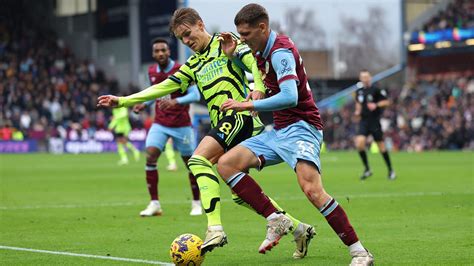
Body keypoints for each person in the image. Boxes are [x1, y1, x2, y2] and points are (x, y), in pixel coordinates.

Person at [97, 7, 314, 257]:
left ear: (200, 25)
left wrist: (259, 90)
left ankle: (215, 229)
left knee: (198, 160)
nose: (187, 41)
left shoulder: (226, 43)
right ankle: (297, 228)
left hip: (239, 117)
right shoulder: (193, 64)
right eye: (181, 39)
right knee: (240, 194)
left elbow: (253, 63)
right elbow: (162, 87)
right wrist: (123, 101)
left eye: (188, 34)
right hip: (224, 123)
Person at [217, 4, 374, 265]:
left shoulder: (280, 52)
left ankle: (359, 252)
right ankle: (276, 219)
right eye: (239, 34)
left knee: (312, 190)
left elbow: (290, 97)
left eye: (245, 34)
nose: (242, 39)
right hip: (279, 130)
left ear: (262, 27)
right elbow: (267, 84)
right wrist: (234, 57)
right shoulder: (260, 50)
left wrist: (248, 104)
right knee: (226, 164)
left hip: (303, 127)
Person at [132, 38, 202, 217]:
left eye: (163, 50)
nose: (160, 53)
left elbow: (195, 95)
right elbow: (155, 93)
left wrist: (175, 101)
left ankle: (196, 203)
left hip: (182, 125)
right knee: (151, 155)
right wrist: (144, 104)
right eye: (157, 51)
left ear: (169, 52)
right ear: (153, 54)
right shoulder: (151, 71)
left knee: (190, 164)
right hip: (160, 123)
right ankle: (154, 203)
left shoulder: (182, 70)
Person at [354, 70, 396, 180]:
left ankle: (390, 170)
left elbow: (386, 102)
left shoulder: (376, 90)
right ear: (360, 78)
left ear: (370, 78)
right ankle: (367, 169)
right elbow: (358, 103)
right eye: (363, 77)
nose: (365, 79)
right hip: (363, 121)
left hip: (374, 121)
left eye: (367, 77)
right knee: (359, 144)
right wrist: (357, 112)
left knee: (381, 146)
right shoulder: (359, 91)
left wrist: (376, 105)